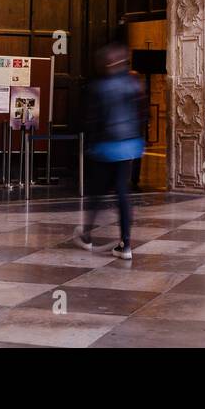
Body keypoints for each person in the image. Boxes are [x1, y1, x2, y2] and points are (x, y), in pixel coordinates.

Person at [73, 43, 145, 259]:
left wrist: (90, 144)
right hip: (129, 145)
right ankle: (126, 243)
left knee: (97, 193)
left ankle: (86, 234)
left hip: (105, 146)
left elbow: (92, 119)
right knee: (123, 192)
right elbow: (141, 114)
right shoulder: (133, 83)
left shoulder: (99, 87)